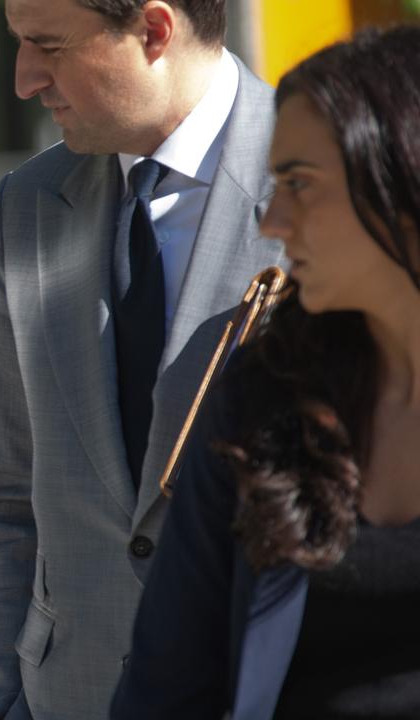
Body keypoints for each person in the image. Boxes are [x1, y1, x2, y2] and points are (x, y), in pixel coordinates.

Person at [0, 1, 287, 717]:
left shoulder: (323, 181)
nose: (24, 79)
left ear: (154, 29)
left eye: (46, 46)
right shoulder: (27, 206)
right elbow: (3, 493)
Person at [112, 25, 420, 719]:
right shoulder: (262, 393)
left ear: (402, 177)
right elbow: (167, 684)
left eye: (301, 184)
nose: (275, 220)